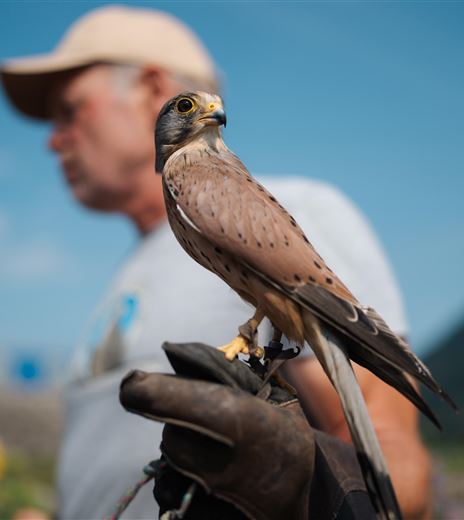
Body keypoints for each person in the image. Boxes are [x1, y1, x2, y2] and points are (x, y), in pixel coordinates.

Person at [1, 5, 431, 519]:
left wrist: (302, 495)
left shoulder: (267, 194)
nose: (54, 138)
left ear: (150, 89)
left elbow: (394, 455)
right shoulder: (130, 265)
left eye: (70, 109)